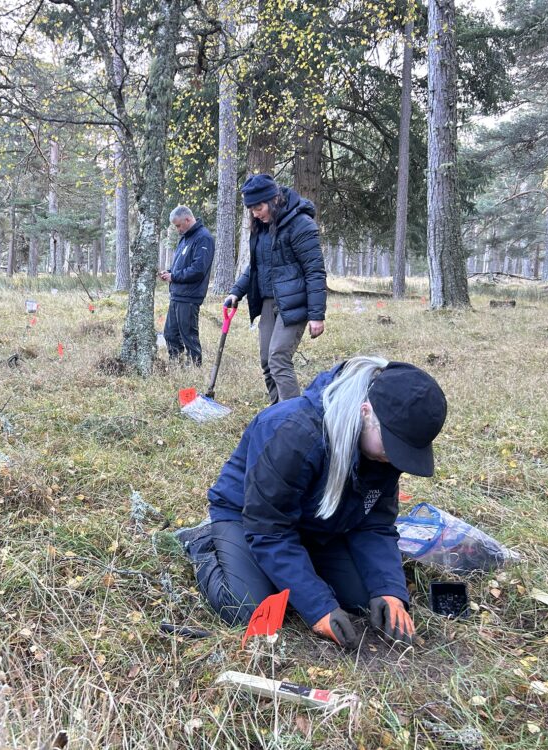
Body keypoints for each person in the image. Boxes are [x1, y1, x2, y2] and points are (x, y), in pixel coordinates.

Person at [176, 356, 447, 648]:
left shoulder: (384, 453)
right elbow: (270, 530)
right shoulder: (293, 432)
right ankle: (203, 542)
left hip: (317, 524)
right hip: (247, 516)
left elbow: (375, 523)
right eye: (393, 446)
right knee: (248, 609)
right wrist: (319, 608)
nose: (396, 459)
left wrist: (390, 589)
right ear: (365, 412)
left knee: (361, 598)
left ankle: (294, 573)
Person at [224, 174, 327, 404]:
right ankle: (277, 413)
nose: (255, 213)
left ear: (274, 199)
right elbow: (256, 266)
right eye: (251, 209)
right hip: (270, 302)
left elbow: (315, 271)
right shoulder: (261, 228)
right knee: (267, 361)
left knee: (278, 358)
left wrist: (317, 315)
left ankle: (294, 419)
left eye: (258, 207)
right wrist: (236, 291)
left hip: (295, 303)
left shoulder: (300, 224)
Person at [158, 206, 215, 366]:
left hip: (190, 296)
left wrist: (174, 276)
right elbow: (181, 264)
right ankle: (176, 365)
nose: (177, 229)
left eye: (178, 225)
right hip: (177, 294)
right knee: (170, 334)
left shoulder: (203, 238)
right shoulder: (185, 237)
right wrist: (169, 272)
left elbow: (198, 270)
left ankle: (195, 369)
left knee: (189, 336)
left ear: (188, 219)